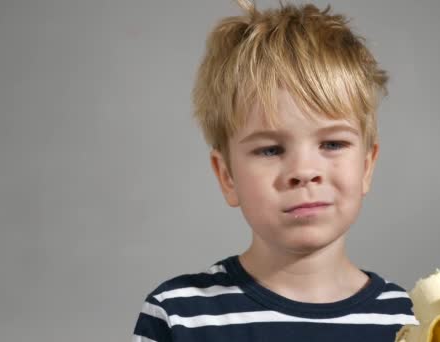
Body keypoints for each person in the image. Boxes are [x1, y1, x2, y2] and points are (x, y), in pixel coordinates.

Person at [131, 0, 419, 340]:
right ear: (227, 177)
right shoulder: (179, 316)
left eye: (332, 144)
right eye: (270, 149)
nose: (304, 171)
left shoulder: (404, 320)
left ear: (367, 166)